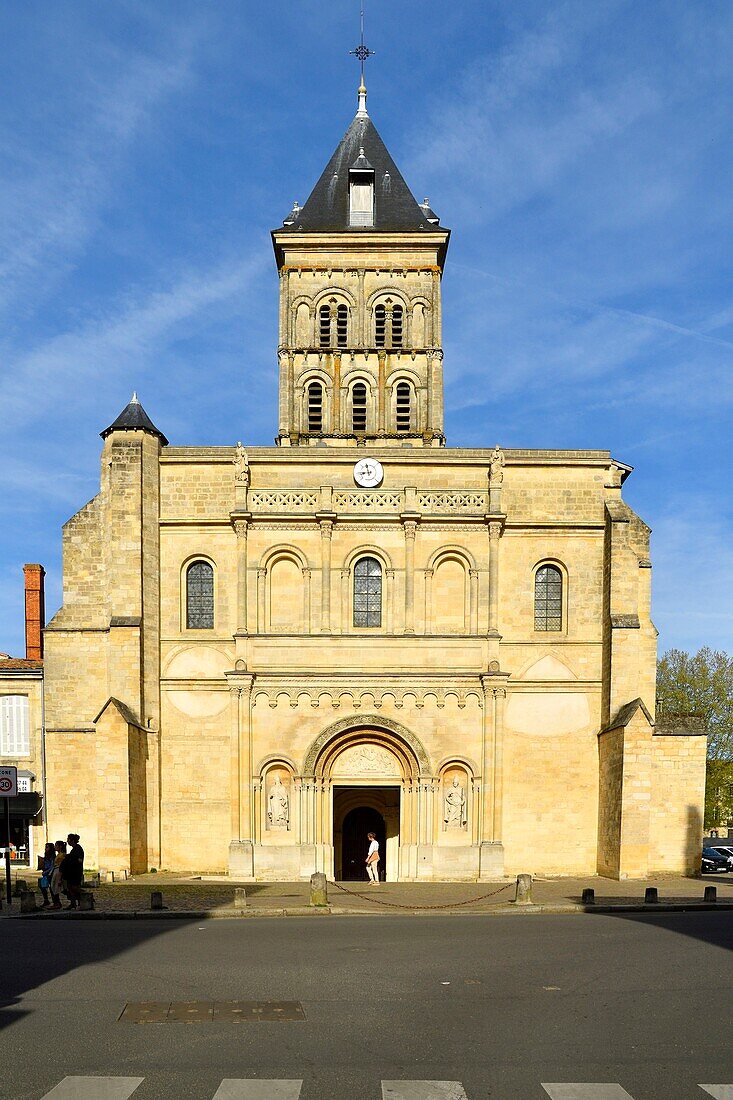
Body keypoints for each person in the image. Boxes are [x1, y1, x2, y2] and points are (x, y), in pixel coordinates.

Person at [60, 833, 84, 910]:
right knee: (70, 888)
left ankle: (81, 902)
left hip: (76, 872)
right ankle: (73, 903)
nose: (67, 841)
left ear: (72, 840)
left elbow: (79, 860)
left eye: (68, 840)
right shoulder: (74, 849)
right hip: (71, 872)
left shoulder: (78, 849)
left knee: (75, 887)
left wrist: (70, 858)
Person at [38, 842, 56, 909]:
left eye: (47, 847)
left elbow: (52, 866)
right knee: (42, 886)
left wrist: (46, 872)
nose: (46, 849)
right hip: (45, 873)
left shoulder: (52, 856)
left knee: (52, 888)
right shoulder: (46, 855)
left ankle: (55, 902)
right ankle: (46, 900)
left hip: (50, 873)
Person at [50, 840, 67, 910]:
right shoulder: (58, 854)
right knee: (53, 887)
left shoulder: (62, 855)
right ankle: (56, 902)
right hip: (55, 871)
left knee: (56, 887)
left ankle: (57, 903)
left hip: (58, 871)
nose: (55, 847)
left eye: (56, 845)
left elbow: (61, 866)